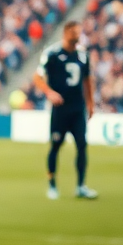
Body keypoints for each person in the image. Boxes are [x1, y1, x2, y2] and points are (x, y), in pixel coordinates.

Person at [33, 20, 98, 200]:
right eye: (74, 33)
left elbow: (87, 80)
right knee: (55, 146)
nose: (77, 36)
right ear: (66, 33)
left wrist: (90, 103)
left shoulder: (83, 55)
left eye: (79, 33)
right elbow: (37, 77)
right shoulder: (52, 53)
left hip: (78, 109)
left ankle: (81, 186)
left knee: (82, 145)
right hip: (60, 109)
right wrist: (49, 92)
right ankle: (52, 185)